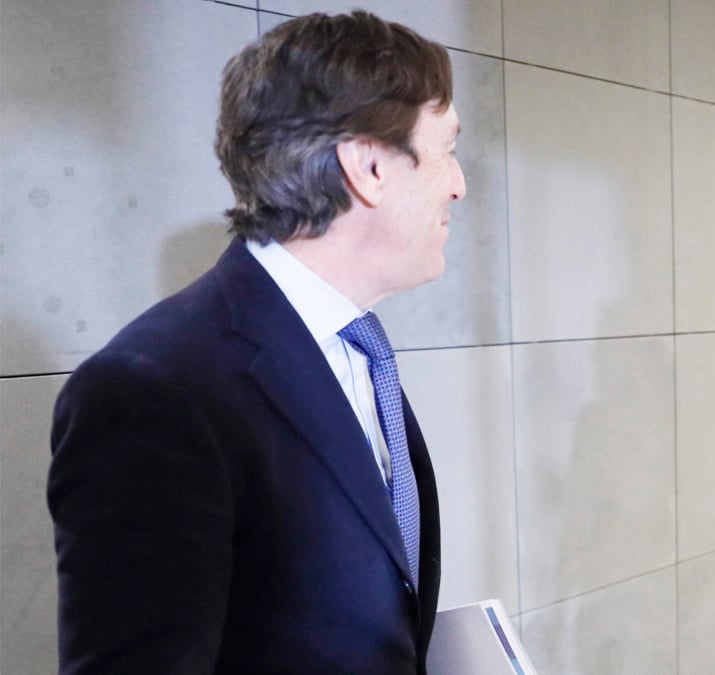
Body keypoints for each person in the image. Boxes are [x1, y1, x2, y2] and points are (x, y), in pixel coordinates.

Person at [47, 11, 465, 674]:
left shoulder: (358, 346)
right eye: (446, 149)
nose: (458, 184)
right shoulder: (154, 388)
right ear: (368, 167)